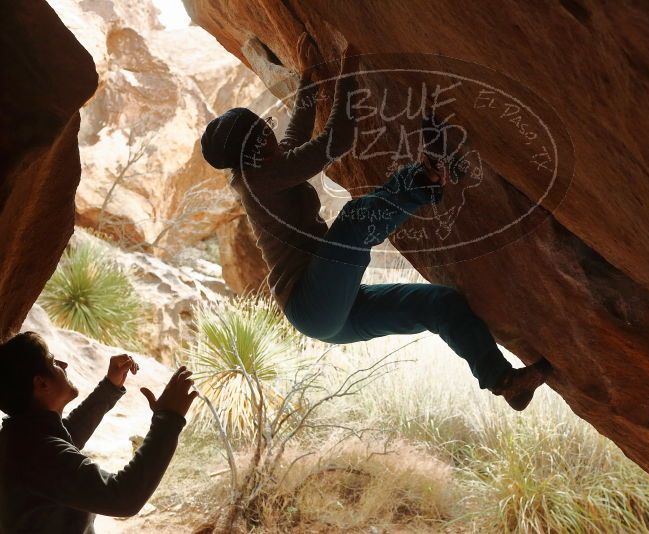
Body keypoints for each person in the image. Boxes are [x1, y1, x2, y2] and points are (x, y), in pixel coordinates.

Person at [200, 33, 551, 411]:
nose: (271, 131)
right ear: (251, 148)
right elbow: (336, 141)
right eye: (263, 130)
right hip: (311, 302)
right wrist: (348, 72)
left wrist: (309, 77)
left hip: (331, 311)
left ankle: (504, 380)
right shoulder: (259, 178)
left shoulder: (262, 166)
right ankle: (428, 177)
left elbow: (295, 137)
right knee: (353, 219)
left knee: (440, 304)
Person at [0, 331, 198, 534]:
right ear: (42, 384)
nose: (64, 365)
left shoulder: (19, 436)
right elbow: (122, 498)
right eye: (53, 362)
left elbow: (68, 436)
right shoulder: (36, 452)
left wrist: (109, 387)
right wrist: (168, 420)